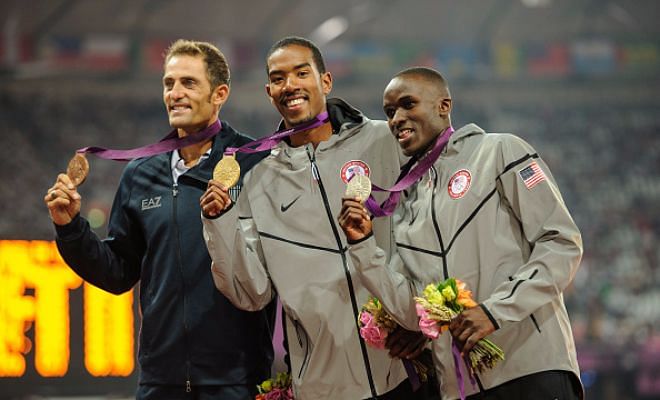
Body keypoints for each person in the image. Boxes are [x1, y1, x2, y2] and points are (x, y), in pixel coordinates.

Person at [200, 37, 437, 399]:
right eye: (279, 78)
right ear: (269, 91)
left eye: (301, 73)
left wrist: (423, 316)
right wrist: (219, 224)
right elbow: (251, 294)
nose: (290, 85)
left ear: (325, 81)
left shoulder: (385, 141)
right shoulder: (259, 181)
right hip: (323, 386)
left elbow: (434, 228)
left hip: (406, 371)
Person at [44, 39, 275, 399]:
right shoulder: (141, 173)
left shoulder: (254, 164)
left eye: (189, 83)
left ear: (220, 94)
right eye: (169, 83)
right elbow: (118, 271)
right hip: (160, 382)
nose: (175, 93)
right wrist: (71, 227)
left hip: (237, 380)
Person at [338, 66, 584, 400]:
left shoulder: (500, 151)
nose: (396, 118)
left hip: (530, 368)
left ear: (444, 105)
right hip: (458, 385)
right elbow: (414, 310)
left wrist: (495, 312)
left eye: (408, 104)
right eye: (390, 112)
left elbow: (561, 244)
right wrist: (362, 245)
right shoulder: (405, 205)